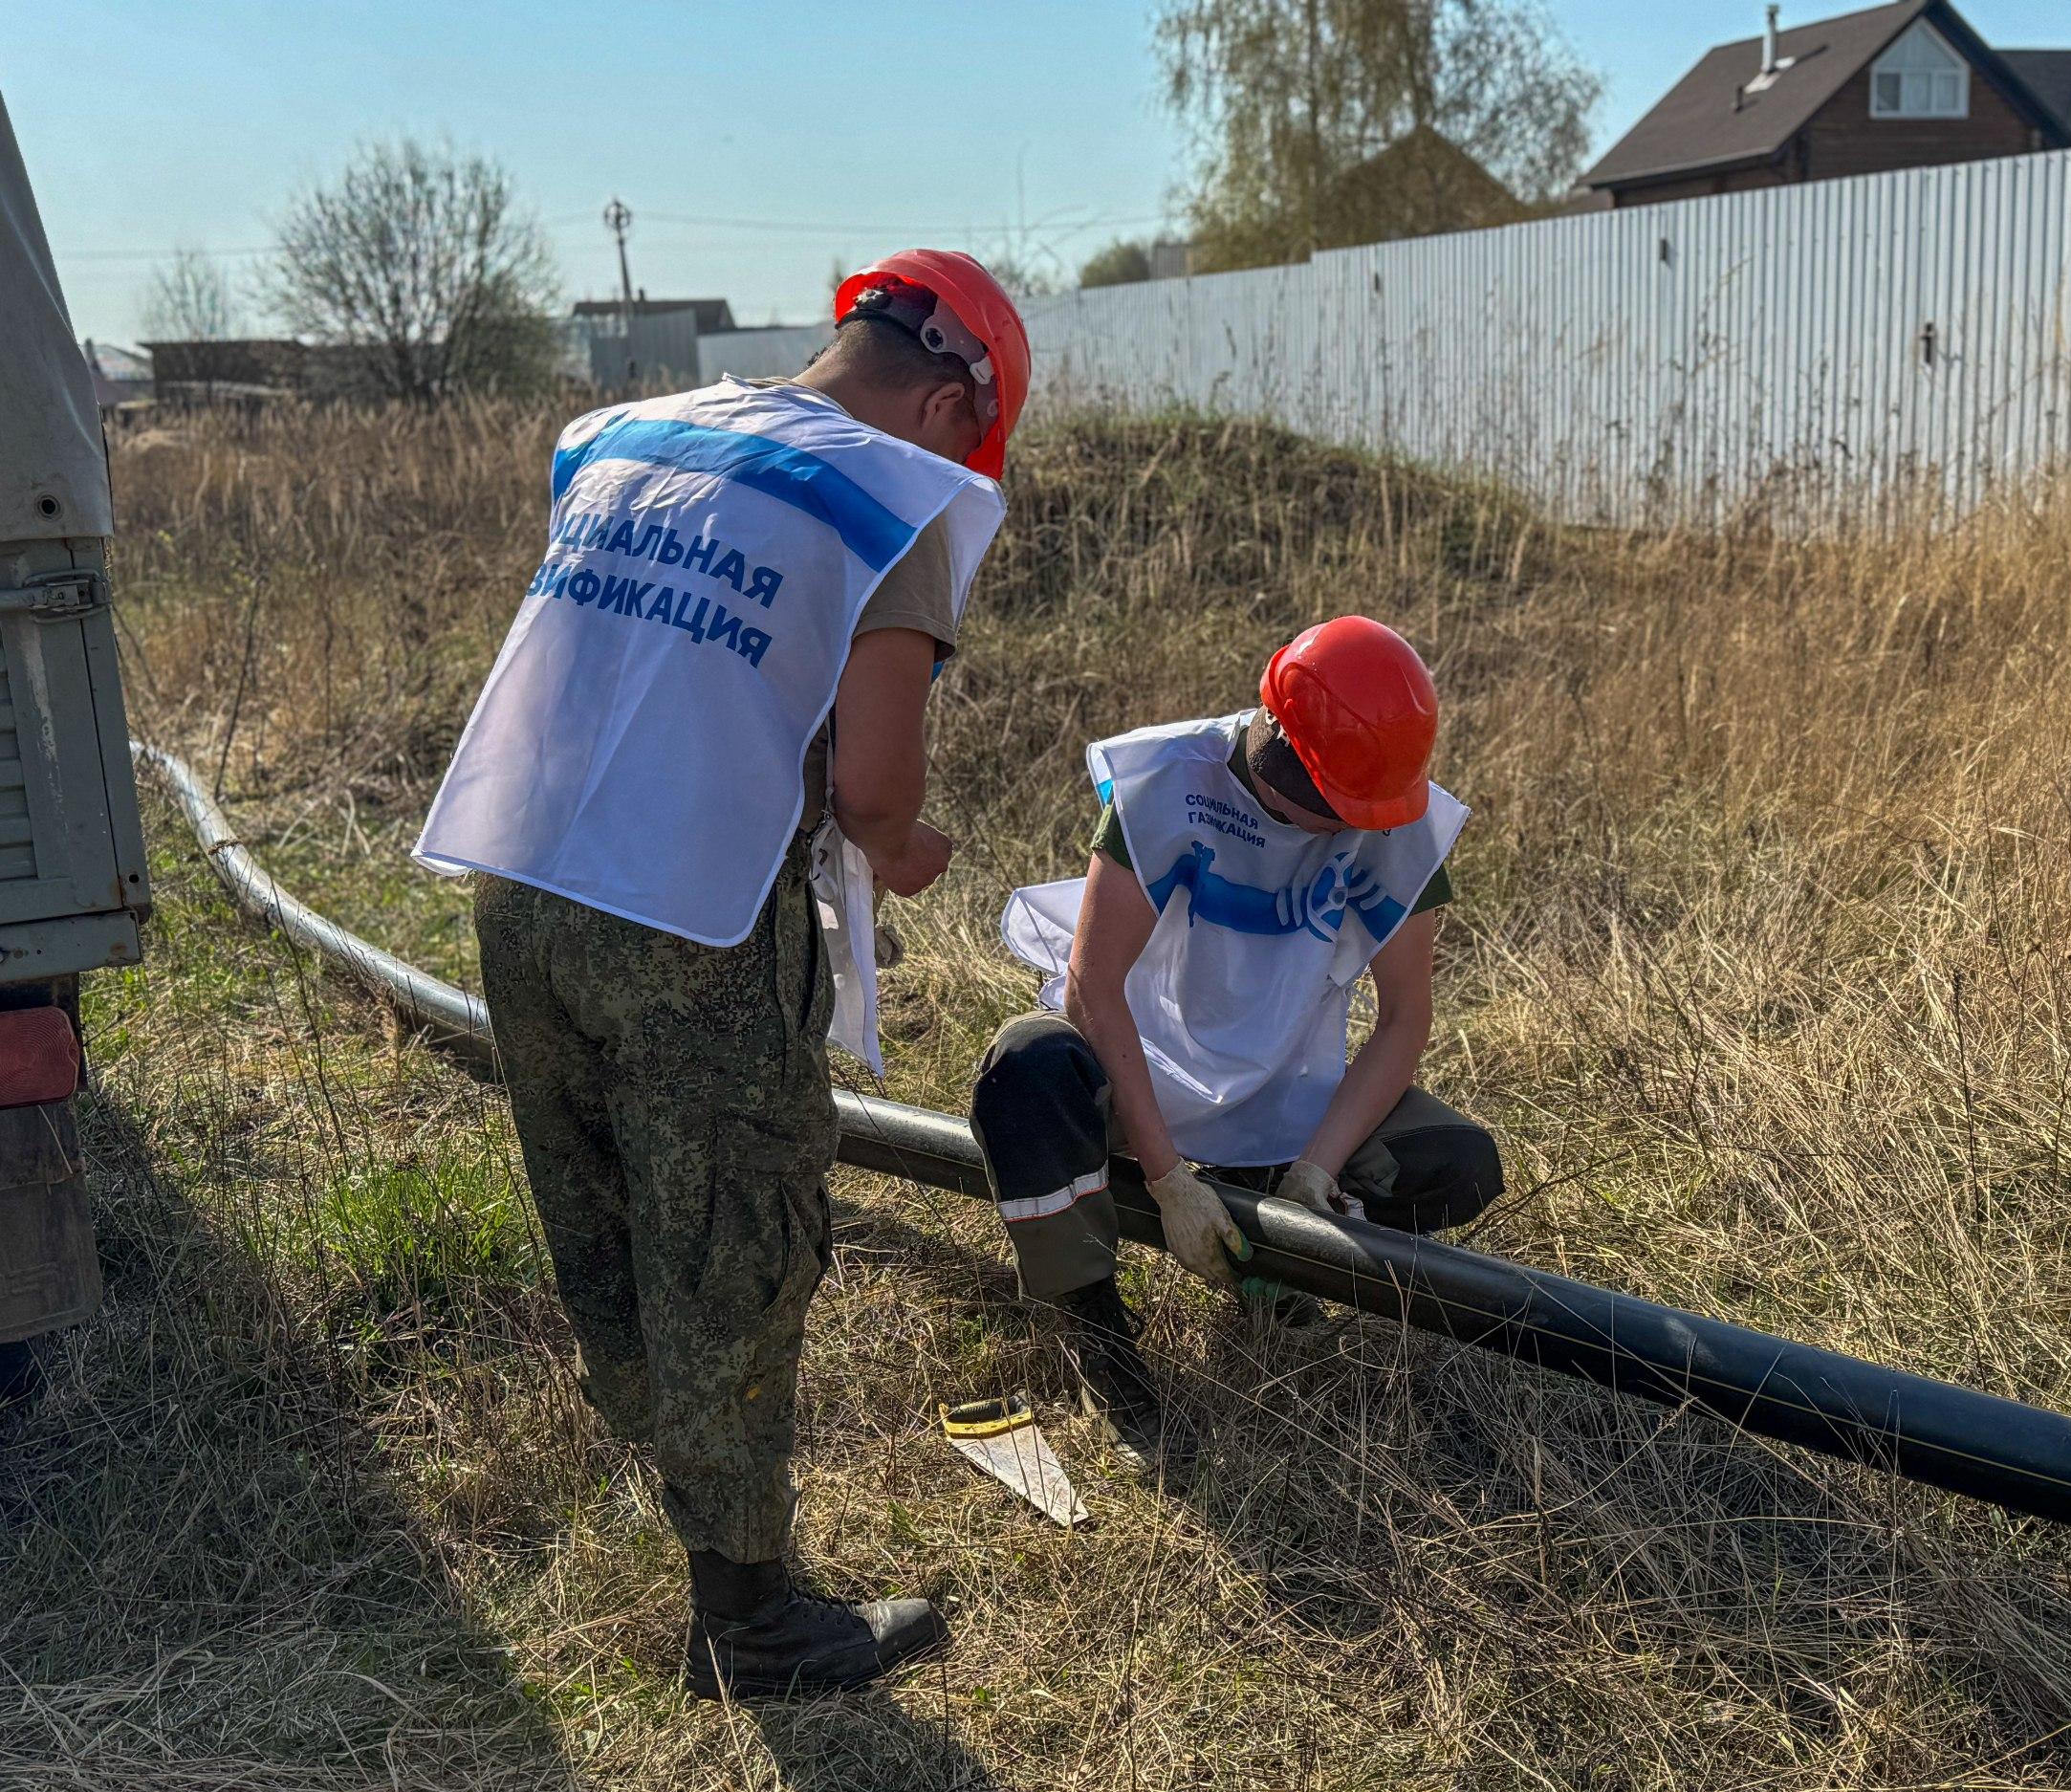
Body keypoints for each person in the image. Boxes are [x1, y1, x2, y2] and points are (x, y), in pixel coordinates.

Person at [414, 251, 1030, 1698]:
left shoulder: (623, 436)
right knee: (733, 1241)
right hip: (687, 916)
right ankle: (748, 1622)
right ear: (951, 404)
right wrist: (905, 848)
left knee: (605, 1211)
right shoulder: (894, 493)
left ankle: (684, 1487)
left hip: (523, 878)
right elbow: (874, 788)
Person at [971, 617, 1503, 1468]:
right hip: (1144, 1071)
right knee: (1023, 1071)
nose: (1355, 828)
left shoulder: (1389, 807)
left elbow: (1405, 1018)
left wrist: (1316, 1171)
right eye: (1338, 810)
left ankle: (1278, 1258)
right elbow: (1093, 986)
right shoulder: (1170, 783)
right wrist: (1166, 1179)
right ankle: (1098, 1339)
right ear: (1281, 757)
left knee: (1455, 1160)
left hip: (1287, 1097)